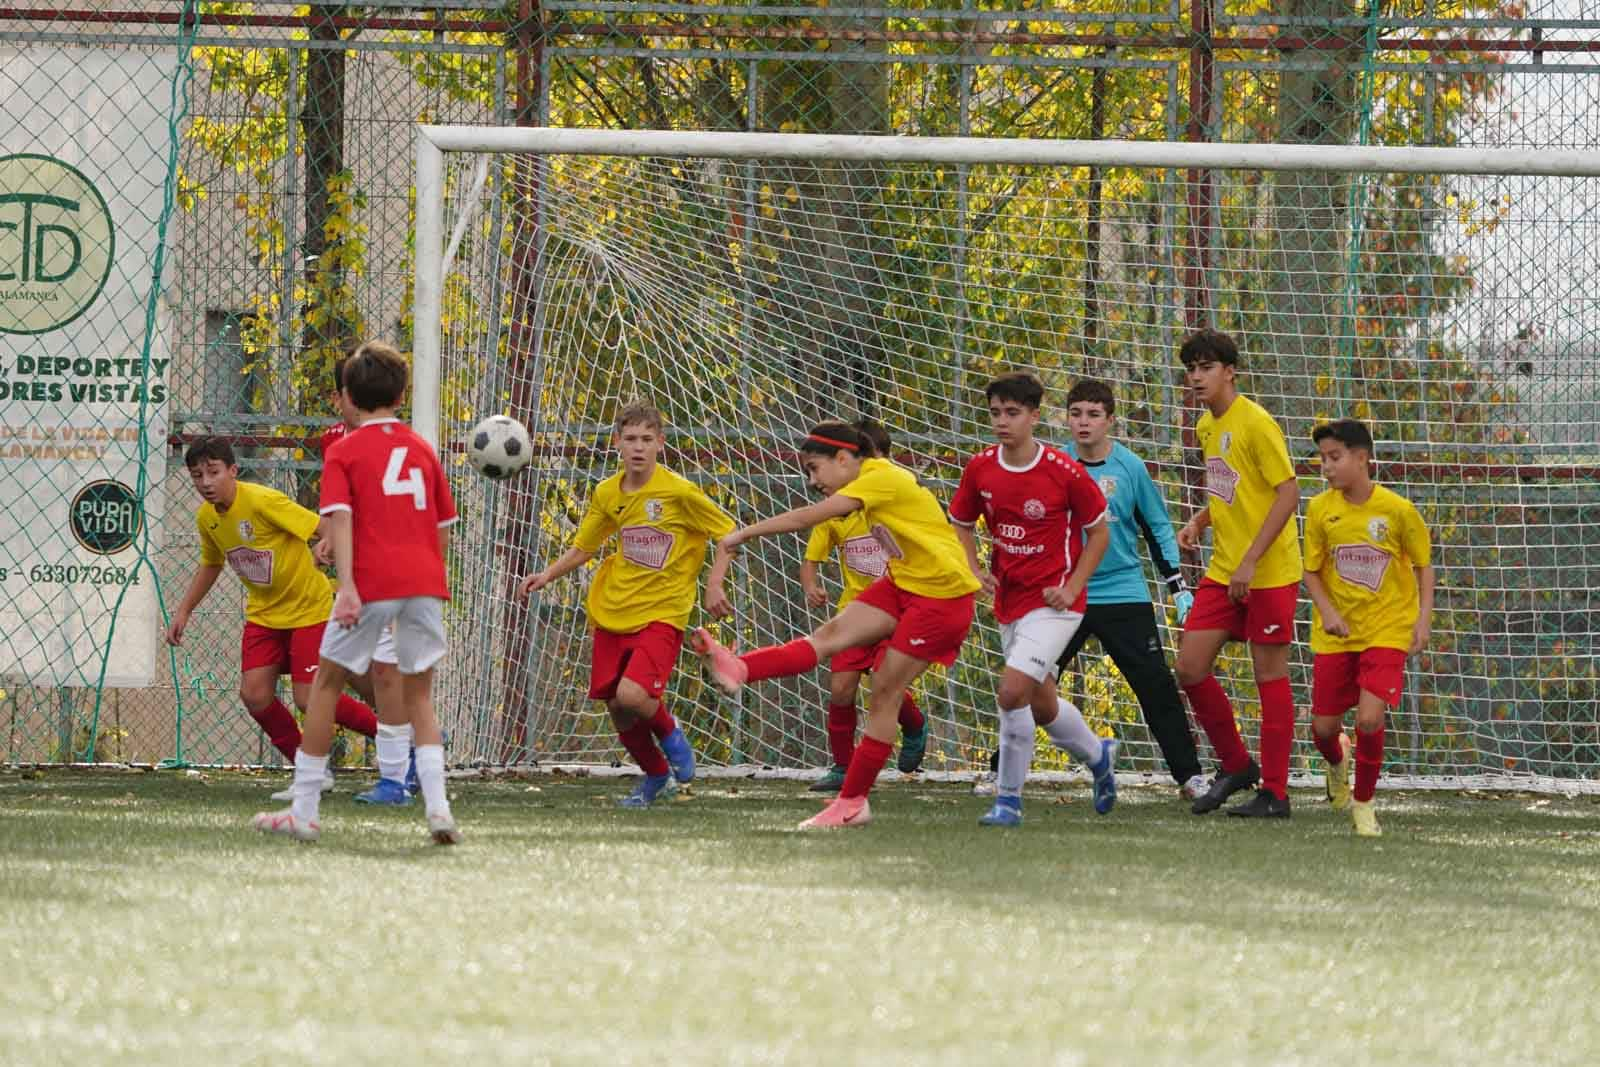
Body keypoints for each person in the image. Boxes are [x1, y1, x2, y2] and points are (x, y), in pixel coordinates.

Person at [693, 420, 980, 829]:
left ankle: (852, 802)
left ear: (844, 458)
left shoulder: (879, 476)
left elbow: (806, 517)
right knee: (827, 638)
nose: (813, 480)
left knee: (884, 690)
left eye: (814, 468)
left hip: (942, 598)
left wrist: (741, 535)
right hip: (903, 584)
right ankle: (740, 668)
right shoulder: (872, 483)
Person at [253, 341, 460, 844]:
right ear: (402, 394)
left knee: (324, 685)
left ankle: (304, 811)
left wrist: (346, 584)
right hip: (425, 584)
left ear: (347, 395)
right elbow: (443, 527)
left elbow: (339, 517)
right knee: (420, 695)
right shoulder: (421, 449)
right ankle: (438, 810)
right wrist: (432, 577)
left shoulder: (344, 450)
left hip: (372, 581)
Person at [516, 402, 731, 808]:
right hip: (613, 609)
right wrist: (547, 575)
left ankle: (671, 733)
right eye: (630, 439)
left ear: (660, 445)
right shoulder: (607, 493)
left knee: (634, 697)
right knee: (618, 707)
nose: (638, 447)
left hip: (664, 610)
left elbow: (728, 534)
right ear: (617, 443)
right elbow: (585, 547)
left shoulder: (679, 492)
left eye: (647, 440)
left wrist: (714, 583)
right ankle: (656, 777)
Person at [166, 437, 379, 798]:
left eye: (214, 473)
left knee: (309, 698)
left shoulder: (264, 501)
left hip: (308, 609)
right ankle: (310, 770)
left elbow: (325, 527)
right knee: (255, 695)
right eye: (197, 475)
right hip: (264, 616)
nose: (206, 483)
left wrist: (326, 546)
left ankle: (400, 737)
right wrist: (184, 610)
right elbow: (211, 563)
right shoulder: (207, 518)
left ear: (233, 471)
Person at [948, 373, 1113, 827]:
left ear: (1034, 417)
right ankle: (1099, 756)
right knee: (1041, 705)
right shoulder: (980, 467)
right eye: (996, 413)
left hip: (1056, 604)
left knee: (1010, 691)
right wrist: (974, 567)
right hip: (1010, 601)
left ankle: (1008, 801)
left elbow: (1099, 532)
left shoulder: (1063, 471)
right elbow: (961, 522)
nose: (1002, 422)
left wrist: (1073, 585)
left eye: (1012, 413)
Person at [1174, 328, 1304, 818]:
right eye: (1192, 369)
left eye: (1206, 367)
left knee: (1269, 674)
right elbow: (1234, 490)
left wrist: (1251, 559)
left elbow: (1287, 493)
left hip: (1267, 572)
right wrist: (1200, 520)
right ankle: (1236, 765)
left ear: (1230, 372)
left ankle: (1275, 793)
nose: (1196, 377)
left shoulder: (1256, 423)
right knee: (1189, 666)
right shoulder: (1208, 427)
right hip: (1225, 571)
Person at [1058, 379, 1207, 799]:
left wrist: (1177, 584)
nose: (1083, 422)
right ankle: (1001, 771)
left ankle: (1190, 776)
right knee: (1030, 680)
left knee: (1156, 685)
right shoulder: (1054, 463)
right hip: (1067, 594)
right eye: (1076, 413)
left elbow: (1157, 525)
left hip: (1124, 593)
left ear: (1110, 421)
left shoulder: (1130, 468)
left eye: (1093, 414)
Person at [1302, 419, 1433, 838]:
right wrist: (1328, 612)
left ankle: (1363, 803)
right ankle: (1337, 758)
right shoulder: (1321, 509)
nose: (1326, 466)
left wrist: (1422, 618)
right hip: (1336, 633)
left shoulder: (1397, 511)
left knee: (1371, 720)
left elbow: (1423, 566)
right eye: (1322, 458)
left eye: (1334, 457)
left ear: (1362, 458)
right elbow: (1311, 573)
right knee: (1323, 728)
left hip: (1386, 629)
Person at [798, 421, 928, 792]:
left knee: (885, 685)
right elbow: (811, 557)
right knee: (841, 690)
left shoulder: (899, 503)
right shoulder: (838, 510)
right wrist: (811, 585)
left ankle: (914, 724)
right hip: (854, 613)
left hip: (898, 613)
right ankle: (842, 765)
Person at [319, 354, 409, 807]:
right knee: (356, 669)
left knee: (384, 671)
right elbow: (341, 507)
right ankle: (408, 741)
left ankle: (401, 768)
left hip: (388, 575)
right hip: (361, 575)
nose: (344, 403)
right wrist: (333, 540)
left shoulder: (401, 444)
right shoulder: (335, 442)